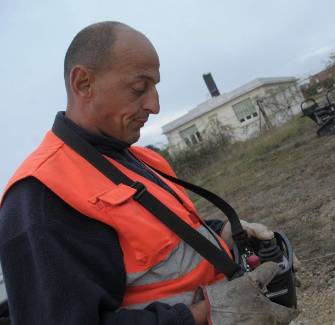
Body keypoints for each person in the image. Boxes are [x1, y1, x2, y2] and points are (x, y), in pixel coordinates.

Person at [0, 22, 296, 324]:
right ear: (83, 83)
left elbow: (164, 236)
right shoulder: (40, 197)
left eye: (155, 87)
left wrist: (226, 232)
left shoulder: (139, 157)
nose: (154, 105)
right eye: (139, 89)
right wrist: (204, 314)